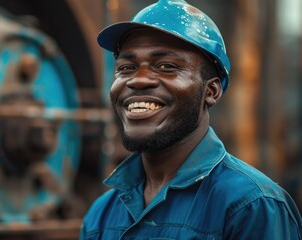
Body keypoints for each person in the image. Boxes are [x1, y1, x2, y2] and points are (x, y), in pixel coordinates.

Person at [80, 0, 302, 239]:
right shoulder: (101, 214)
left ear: (211, 92)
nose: (138, 80)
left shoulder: (250, 206)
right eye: (126, 68)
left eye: (166, 66)